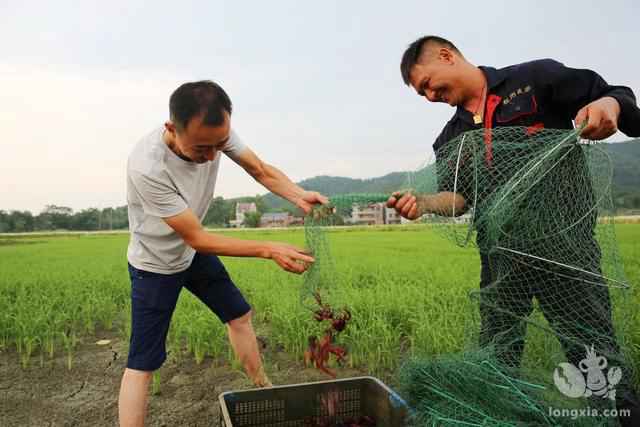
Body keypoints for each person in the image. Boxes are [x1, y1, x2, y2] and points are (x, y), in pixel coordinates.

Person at [388, 35, 640, 426]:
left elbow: (613, 94)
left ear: (445, 55)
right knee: (498, 358)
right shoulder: (449, 138)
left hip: (565, 253)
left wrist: (607, 106)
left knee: (595, 356)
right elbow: (459, 199)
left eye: (427, 84)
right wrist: (421, 204)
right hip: (500, 262)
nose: (429, 96)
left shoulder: (534, 80)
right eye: (421, 94)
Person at [119, 80, 327, 427]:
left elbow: (259, 170)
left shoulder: (216, 132)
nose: (213, 156)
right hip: (155, 263)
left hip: (191, 252)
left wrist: (297, 195)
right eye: (202, 147)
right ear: (172, 128)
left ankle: (262, 389)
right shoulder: (147, 166)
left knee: (239, 315)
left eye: (220, 145)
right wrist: (268, 247)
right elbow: (198, 237)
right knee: (143, 364)